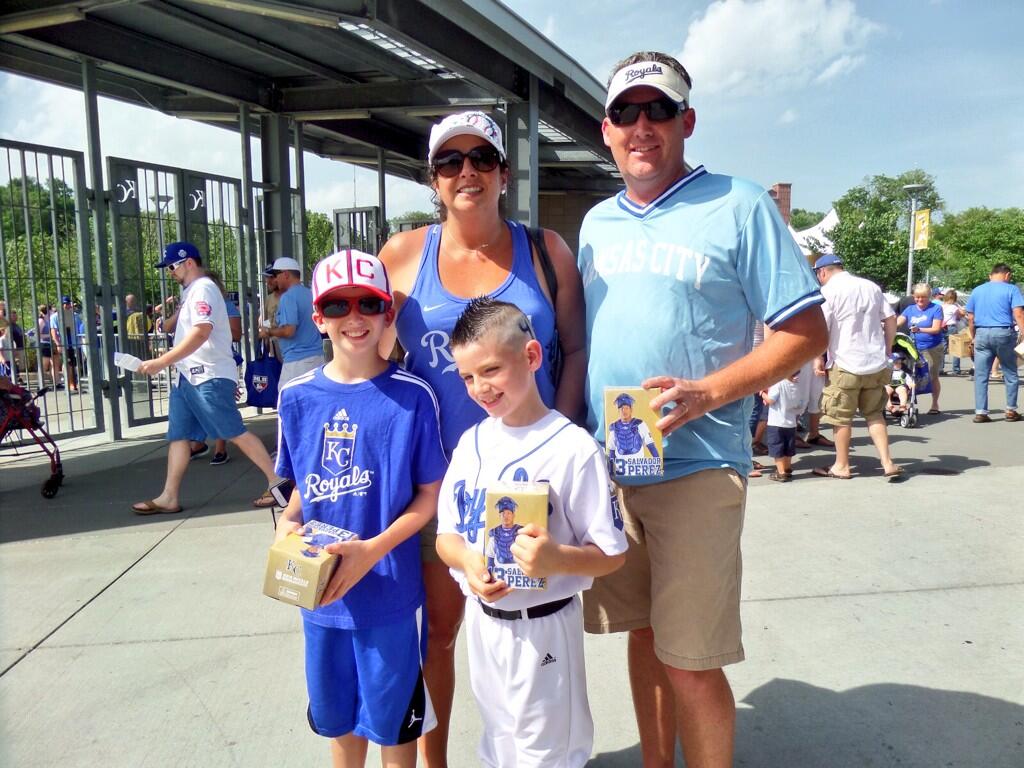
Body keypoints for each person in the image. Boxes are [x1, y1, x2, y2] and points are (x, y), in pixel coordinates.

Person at [578, 52, 827, 768]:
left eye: (659, 110)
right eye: (626, 112)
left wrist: (708, 394)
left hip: (699, 464)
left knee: (691, 658)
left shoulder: (739, 204)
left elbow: (807, 332)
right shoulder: (596, 223)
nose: (642, 126)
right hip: (614, 465)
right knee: (644, 634)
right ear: (606, 129)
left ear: (686, 121)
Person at [378, 109, 586, 767]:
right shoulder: (402, 256)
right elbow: (372, 361)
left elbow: (576, 349)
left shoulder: (546, 251)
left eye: (481, 159)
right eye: (450, 161)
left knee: (529, 634)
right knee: (439, 634)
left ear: (503, 174)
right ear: (433, 178)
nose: (466, 172)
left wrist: (564, 441)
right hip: (440, 487)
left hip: (532, 486)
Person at [273, 248, 447, 768]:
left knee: (394, 727)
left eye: (368, 304)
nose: (354, 317)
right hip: (322, 599)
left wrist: (373, 549)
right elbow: (302, 486)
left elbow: (429, 494)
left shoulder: (413, 396)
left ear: (388, 314)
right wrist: (288, 524)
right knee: (338, 723)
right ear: (318, 317)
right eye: (338, 305)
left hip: (388, 593)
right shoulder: (297, 397)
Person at [435, 297, 627, 767]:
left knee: (547, 752)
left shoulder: (573, 448)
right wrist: (468, 562)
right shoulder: (471, 442)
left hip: (544, 624)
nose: (480, 387)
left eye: (491, 370)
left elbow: (612, 554)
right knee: (498, 742)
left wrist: (556, 558)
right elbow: (447, 536)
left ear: (532, 356)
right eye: (467, 376)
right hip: (484, 622)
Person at [131, 241, 280, 514]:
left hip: (205, 376)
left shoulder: (202, 289)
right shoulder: (194, 291)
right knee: (180, 435)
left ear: (189, 262)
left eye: (172, 267)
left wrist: (162, 361)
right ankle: (169, 496)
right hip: (190, 376)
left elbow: (202, 331)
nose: (170, 273)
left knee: (233, 431)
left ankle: (277, 482)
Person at [812, 252, 904, 480]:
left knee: (841, 417)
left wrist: (818, 357)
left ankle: (842, 465)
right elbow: (890, 318)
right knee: (875, 414)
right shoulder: (871, 286)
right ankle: (887, 462)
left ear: (822, 272)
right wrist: (887, 348)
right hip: (875, 362)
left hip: (845, 362)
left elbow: (821, 327)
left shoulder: (828, 291)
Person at [965, 263, 1024, 422]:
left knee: (981, 375)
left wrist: (974, 336)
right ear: (1007, 275)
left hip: (982, 333)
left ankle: (981, 412)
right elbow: (1018, 313)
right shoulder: (1011, 289)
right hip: (1003, 333)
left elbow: (970, 318)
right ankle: (1011, 410)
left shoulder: (977, 290)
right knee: (1010, 372)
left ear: (991, 275)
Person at [258, 256, 324, 385]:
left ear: (286, 274)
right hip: (316, 358)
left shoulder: (288, 297)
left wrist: (268, 332)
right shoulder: (310, 294)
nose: (275, 279)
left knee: (286, 395)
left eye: (276, 275)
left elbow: (289, 331)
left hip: (298, 362)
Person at [897, 282, 944, 414]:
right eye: (917, 297)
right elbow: (898, 322)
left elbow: (936, 329)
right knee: (908, 374)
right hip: (912, 347)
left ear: (929, 296)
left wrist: (919, 329)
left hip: (932, 347)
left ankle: (935, 404)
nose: (920, 300)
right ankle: (905, 401)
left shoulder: (936, 308)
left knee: (932, 375)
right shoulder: (910, 309)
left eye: (923, 297)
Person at [763, 371, 807, 482]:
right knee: (788, 447)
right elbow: (800, 405)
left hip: (776, 422)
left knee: (777, 447)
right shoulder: (796, 385)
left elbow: (770, 400)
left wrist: (762, 393)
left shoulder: (778, 384)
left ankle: (781, 472)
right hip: (791, 423)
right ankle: (787, 468)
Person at [607, 392, 660, 465]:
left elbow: (650, 445)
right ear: (618, 411)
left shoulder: (640, 424)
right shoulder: (614, 427)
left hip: (639, 466)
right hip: (621, 467)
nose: (624, 411)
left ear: (631, 409)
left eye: (626, 408)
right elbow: (612, 451)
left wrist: (658, 463)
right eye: (621, 408)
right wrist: (610, 468)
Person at [50, 295, 80, 392]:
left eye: (68, 303)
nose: (66, 306)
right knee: (68, 363)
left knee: (74, 364)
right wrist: (58, 344)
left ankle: (74, 383)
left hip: (75, 343)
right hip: (64, 344)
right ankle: (69, 383)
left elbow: (79, 328)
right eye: (64, 304)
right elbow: (53, 331)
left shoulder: (75, 315)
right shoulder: (55, 317)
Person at [485, 496, 522, 569]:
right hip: (499, 570)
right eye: (503, 513)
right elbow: (490, 558)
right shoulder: (494, 533)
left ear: (513, 515)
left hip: (518, 570)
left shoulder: (521, 532)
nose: (506, 516)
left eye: (508, 513)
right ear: (500, 516)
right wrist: (489, 572)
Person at [941, 290, 966, 375]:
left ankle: (940, 369)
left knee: (942, 348)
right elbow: (962, 314)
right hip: (951, 327)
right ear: (954, 298)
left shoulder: (941, 306)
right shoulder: (954, 307)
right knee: (955, 348)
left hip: (942, 328)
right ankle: (956, 369)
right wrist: (958, 306)